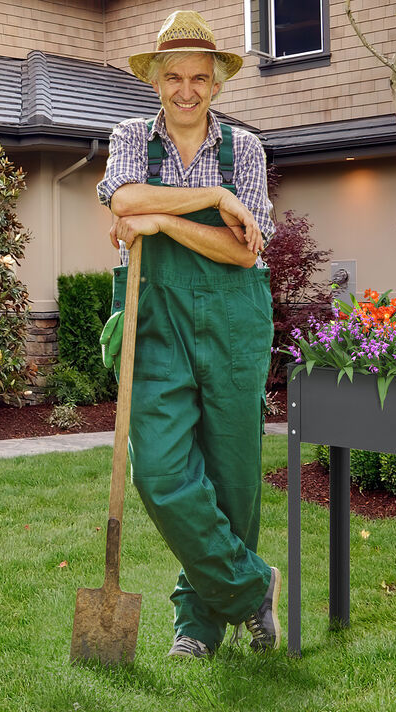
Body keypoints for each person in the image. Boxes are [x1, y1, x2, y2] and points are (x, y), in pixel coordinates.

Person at [96, 9, 280, 659]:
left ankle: (198, 628)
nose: (186, 90)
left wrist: (166, 220)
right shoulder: (127, 138)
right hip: (154, 316)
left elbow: (242, 253)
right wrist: (216, 203)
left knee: (232, 478)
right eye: (173, 77)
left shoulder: (246, 151)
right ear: (156, 81)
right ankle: (252, 587)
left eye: (199, 78)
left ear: (216, 84)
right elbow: (120, 200)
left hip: (233, 317)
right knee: (163, 471)